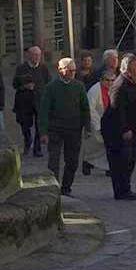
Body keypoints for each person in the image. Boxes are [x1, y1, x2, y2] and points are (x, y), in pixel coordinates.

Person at [101, 54, 136, 201]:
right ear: (128, 69)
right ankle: (121, 191)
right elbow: (117, 109)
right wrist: (124, 129)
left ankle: (126, 188)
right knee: (120, 162)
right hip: (118, 131)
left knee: (130, 160)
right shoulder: (120, 84)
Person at [38, 57, 91, 196]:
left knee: (72, 161)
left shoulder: (78, 86)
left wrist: (87, 127)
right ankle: (54, 188)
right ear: (60, 70)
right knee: (54, 160)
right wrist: (43, 132)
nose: (73, 73)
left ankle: (66, 187)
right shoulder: (51, 87)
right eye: (70, 70)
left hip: (74, 129)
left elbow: (85, 108)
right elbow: (44, 111)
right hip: (55, 129)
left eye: (74, 70)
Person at [13, 45, 51, 157]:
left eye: (38, 55)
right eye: (34, 55)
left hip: (39, 101)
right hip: (24, 102)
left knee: (40, 125)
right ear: (29, 55)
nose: (37, 57)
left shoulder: (43, 68)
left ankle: (37, 148)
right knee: (25, 124)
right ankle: (27, 140)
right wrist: (24, 86)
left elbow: (49, 83)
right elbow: (14, 84)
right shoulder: (21, 68)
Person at [85, 71, 115, 176]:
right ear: (101, 80)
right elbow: (90, 109)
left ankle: (109, 168)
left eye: (112, 80)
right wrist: (98, 125)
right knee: (96, 146)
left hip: (110, 123)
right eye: (107, 80)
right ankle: (87, 162)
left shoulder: (115, 89)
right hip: (96, 122)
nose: (110, 83)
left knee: (109, 146)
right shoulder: (94, 91)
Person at [13, 75, 37, 154]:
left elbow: (33, 103)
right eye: (31, 83)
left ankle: (28, 143)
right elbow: (17, 102)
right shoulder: (22, 92)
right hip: (22, 114)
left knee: (26, 130)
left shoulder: (30, 93)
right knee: (25, 130)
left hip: (27, 114)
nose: (33, 85)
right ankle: (28, 142)